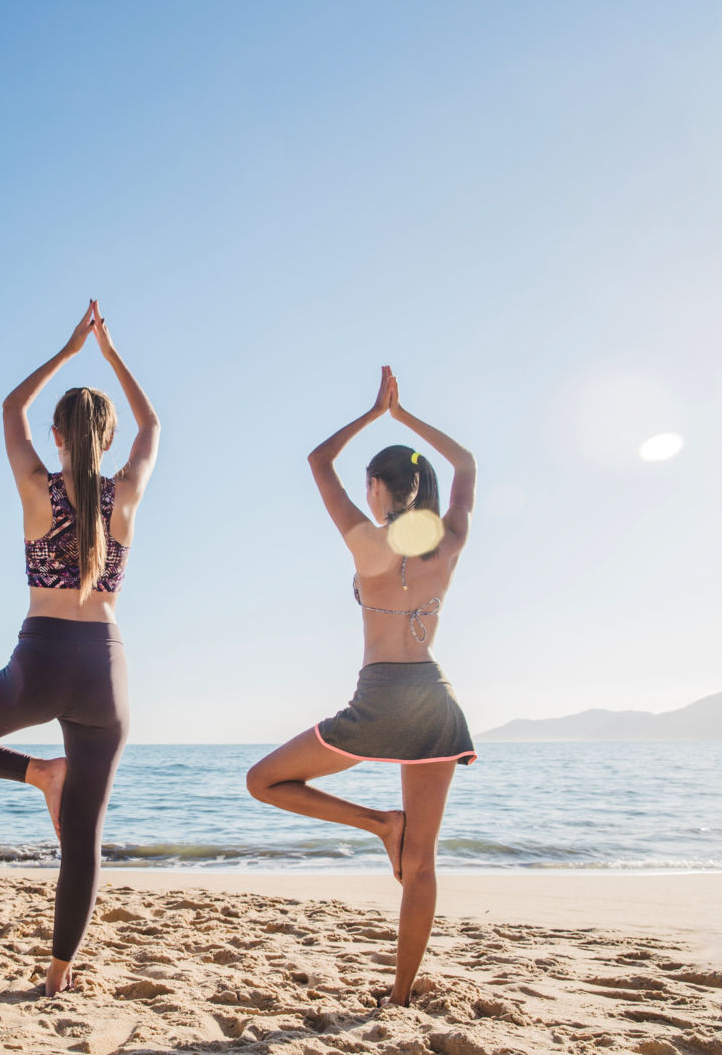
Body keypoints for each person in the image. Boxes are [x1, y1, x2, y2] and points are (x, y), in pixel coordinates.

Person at [0, 300, 159, 996]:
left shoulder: (36, 491)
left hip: (41, 661)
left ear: (56, 434)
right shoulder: (128, 493)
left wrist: (68, 349)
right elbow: (156, 426)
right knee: (82, 838)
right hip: (106, 670)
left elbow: (8, 406)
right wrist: (111, 356)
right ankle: (58, 976)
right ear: (108, 439)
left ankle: (36, 775)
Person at [246, 365, 476, 1007]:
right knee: (423, 863)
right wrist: (407, 421)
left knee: (263, 781)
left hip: (377, 701)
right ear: (422, 485)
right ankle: (400, 996)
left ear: (376, 486)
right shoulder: (450, 541)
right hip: (434, 701)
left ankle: (378, 823)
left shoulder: (364, 541)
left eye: (369, 484)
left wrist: (377, 413)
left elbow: (319, 459)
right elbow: (465, 464)